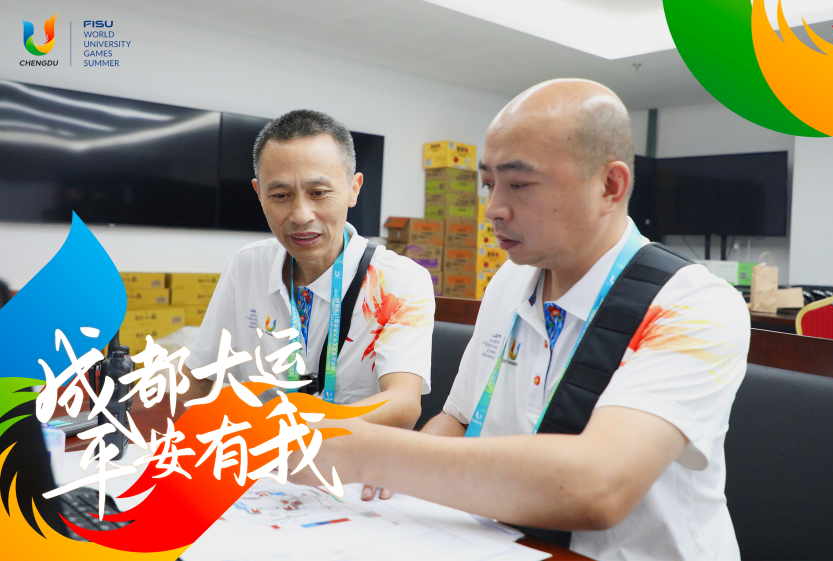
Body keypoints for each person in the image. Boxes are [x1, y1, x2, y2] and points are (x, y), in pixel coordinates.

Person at [290, 80, 750, 560]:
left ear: (610, 186)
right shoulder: (511, 281)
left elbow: (599, 486)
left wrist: (360, 451)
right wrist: (391, 498)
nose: (493, 210)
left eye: (520, 185)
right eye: (489, 184)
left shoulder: (692, 305)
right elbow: (459, 418)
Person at [182, 110, 436, 499]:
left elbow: (403, 403)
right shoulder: (246, 266)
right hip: (256, 473)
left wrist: (301, 431)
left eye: (319, 193)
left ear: (353, 188)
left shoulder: (398, 280)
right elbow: (197, 377)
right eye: (280, 195)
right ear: (259, 193)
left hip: (350, 478)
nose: (301, 215)